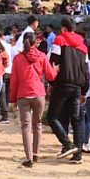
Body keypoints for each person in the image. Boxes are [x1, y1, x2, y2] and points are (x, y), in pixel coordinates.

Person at [9, 32, 57, 168]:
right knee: (38, 124)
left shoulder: (18, 58)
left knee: (26, 126)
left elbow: (14, 80)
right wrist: (55, 69)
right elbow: (51, 76)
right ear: (36, 42)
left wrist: (13, 99)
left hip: (23, 94)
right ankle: (36, 153)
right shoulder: (41, 56)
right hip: (38, 93)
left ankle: (28, 156)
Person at [46, 17, 89, 160]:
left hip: (62, 84)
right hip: (77, 86)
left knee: (52, 116)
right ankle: (78, 153)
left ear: (63, 28)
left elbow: (53, 62)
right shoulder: (83, 46)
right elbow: (86, 70)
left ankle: (67, 144)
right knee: (76, 119)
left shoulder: (59, 40)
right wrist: (84, 90)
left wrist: (50, 82)